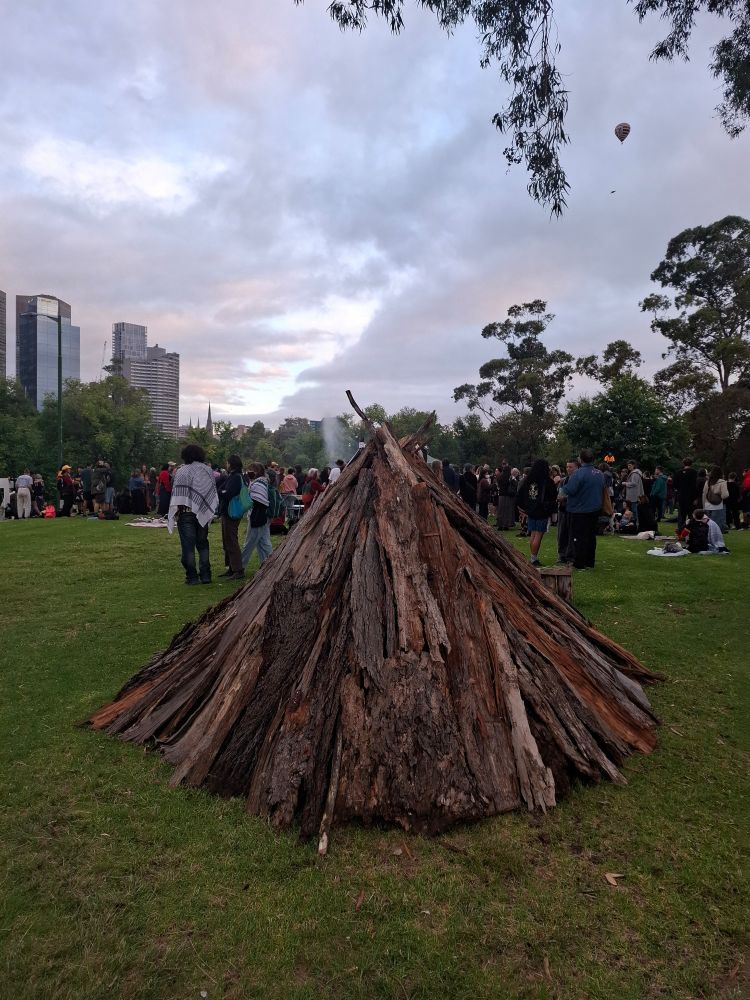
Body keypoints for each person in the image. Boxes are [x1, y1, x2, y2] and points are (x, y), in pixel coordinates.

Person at [167, 444, 218, 585]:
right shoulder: (208, 471)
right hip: (202, 511)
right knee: (203, 543)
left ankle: (192, 576)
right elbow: (212, 491)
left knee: (188, 546)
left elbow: (176, 492)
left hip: (186, 513)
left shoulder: (182, 471)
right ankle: (206, 575)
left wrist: (176, 511)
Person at [560, 448, 604, 569]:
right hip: (595, 509)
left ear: (580, 459)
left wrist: (560, 491)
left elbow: (569, 490)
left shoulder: (578, 474)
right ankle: (590, 562)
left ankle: (579, 563)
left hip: (579, 510)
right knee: (591, 536)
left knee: (579, 537)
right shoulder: (599, 473)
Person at [517, 459, 557, 566]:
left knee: (533, 534)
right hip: (541, 511)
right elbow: (553, 496)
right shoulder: (547, 481)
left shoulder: (528, 480)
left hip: (531, 511)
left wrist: (524, 508)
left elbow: (520, 495)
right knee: (538, 535)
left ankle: (532, 556)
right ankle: (533, 558)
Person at [218, 455, 245, 580]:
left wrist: (222, 492)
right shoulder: (234, 476)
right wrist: (222, 491)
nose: (226, 465)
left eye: (227, 463)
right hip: (228, 512)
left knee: (231, 540)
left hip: (231, 512)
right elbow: (222, 489)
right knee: (227, 540)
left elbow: (227, 493)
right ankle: (231, 567)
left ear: (231, 464)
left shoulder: (235, 477)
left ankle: (238, 569)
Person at [241, 462, 273, 570]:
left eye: (250, 470)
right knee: (264, 542)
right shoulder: (263, 481)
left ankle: (240, 567)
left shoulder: (259, 483)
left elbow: (260, 500)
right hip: (263, 516)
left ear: (256, 471)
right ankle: (269, 565)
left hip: (258, 516)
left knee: (249, 543)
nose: (248, 472)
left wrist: (247, 496)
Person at [556, 459, 579, 563]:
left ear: (576, 468)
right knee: (562, 533)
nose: (568, 469)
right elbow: (560, 495)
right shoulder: (563, 480)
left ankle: (571, 555)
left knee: (572, 533)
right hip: (564, 509)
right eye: (567, 467)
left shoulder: (579, 480)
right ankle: (562, 554)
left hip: (574, 510)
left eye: (571, 467)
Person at [673, 458, 699, 532]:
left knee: (681, 515)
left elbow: (675, 485)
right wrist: (696, 498)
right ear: (691, 464)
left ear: (683, 463)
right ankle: (692, 531)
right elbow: (696, 486)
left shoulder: (678, 473)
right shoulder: (694, 473)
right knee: (691, 515)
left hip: (681, 496)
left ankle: (680, 531)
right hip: (691, 497)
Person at [702, 466, 729, 531]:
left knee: (708, 523)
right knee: (716, 524)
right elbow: (724, 495)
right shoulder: (722, 482)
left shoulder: (708, 482)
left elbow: (704, 494)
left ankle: (708, 537)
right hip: (718, 505)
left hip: (707, 504)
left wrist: (704, 506)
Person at [623, 461, 644, 527]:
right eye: (628, 465)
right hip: (633, 494)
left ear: (633, 466)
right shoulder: (635, 473)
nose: (628, 467)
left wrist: (625, 483)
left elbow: (634, 483)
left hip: (633, 494)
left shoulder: (635, 473)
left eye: (630, 465)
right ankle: (634, 522)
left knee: (634, 510)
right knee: (633, 509)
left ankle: (635, 523)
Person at [495, 465, 515, 530]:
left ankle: (500, 524)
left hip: (501, 496)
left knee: (501, 511)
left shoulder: (500, 477)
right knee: (507, 512)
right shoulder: (510, 478)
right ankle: (506, 525)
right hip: (508, 496)